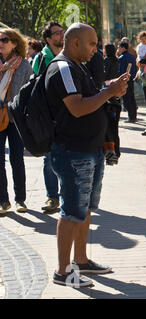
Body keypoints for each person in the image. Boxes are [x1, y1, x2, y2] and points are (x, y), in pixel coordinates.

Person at [45, 23, 129, 287]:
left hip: (89, 150)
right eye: (92, 44)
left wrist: (109, 86)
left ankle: (80, 260)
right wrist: (109, 92)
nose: (96, 49)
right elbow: (77, 107)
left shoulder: (77, 66)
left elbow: (90, 96)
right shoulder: (64, 67)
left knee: (85, 209)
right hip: (73, 151)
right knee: (71, 211)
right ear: (75, 42)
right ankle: (63, 271)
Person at [32, 21, 65, 213]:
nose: (62, 35)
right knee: (49, 158)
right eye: (57, 33)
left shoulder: (69, 55)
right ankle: (52, 197)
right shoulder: (41, 59)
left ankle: (69, 195)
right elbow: (35, 89)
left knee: (70, 155)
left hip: (69, 115)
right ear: (48, 38)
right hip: (48, 117)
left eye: (62, 32)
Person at [0, 28, 33, 214]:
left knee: (17, 159)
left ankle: (20, 199)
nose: (1, 43)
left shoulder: (24, 66)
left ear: (15, 43)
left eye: (5, 39)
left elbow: (30, 95)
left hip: (15, 119)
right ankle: (3, 201)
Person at [103, 43, 121, 159]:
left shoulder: (107, 61)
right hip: (114, 89)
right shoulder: (116, 60)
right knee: (114, 125)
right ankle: (115, 149)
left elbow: (104, 76)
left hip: (107, 89)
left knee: (110, 125)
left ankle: (111, 149)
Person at [117, 41, 138, 123]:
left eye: (119, 47)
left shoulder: (121, 58)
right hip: (131, 80)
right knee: (131, 98)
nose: (118, 49)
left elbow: (120, 71)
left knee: (126, 98)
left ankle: (131, 117)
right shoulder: (132, 57)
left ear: (123, 48)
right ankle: (134, 116)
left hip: (124, 81)